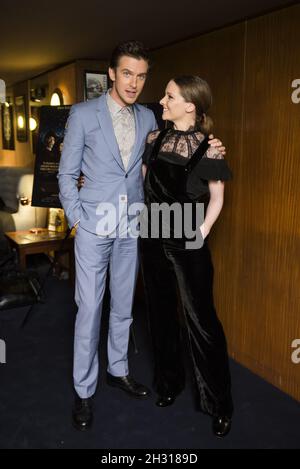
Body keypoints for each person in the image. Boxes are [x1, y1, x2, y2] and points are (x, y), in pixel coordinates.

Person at [58, 40, 226, 432]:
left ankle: (118, 370)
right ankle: (84, 390)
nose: (134, 83)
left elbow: (180, 149)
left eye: (142, 75)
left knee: (124, 305)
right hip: (93, 226)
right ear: (112, 75)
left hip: (135, 226)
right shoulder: (82, 114)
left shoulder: (152, 119)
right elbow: (66, 174)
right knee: (89, 309)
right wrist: (77, 219)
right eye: (127, 74)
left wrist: (212, 143)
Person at [139, 76, 233, 438]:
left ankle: (219, 403)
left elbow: (217, 199)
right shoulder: (155, 139)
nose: (162, 101)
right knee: (160, 315)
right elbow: (147, 183)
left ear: (190, 105)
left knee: (202, 322)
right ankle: (168, 384)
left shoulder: (210, 148)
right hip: (152, 236)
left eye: (169, 96)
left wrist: (202, 231)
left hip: (187, 242)